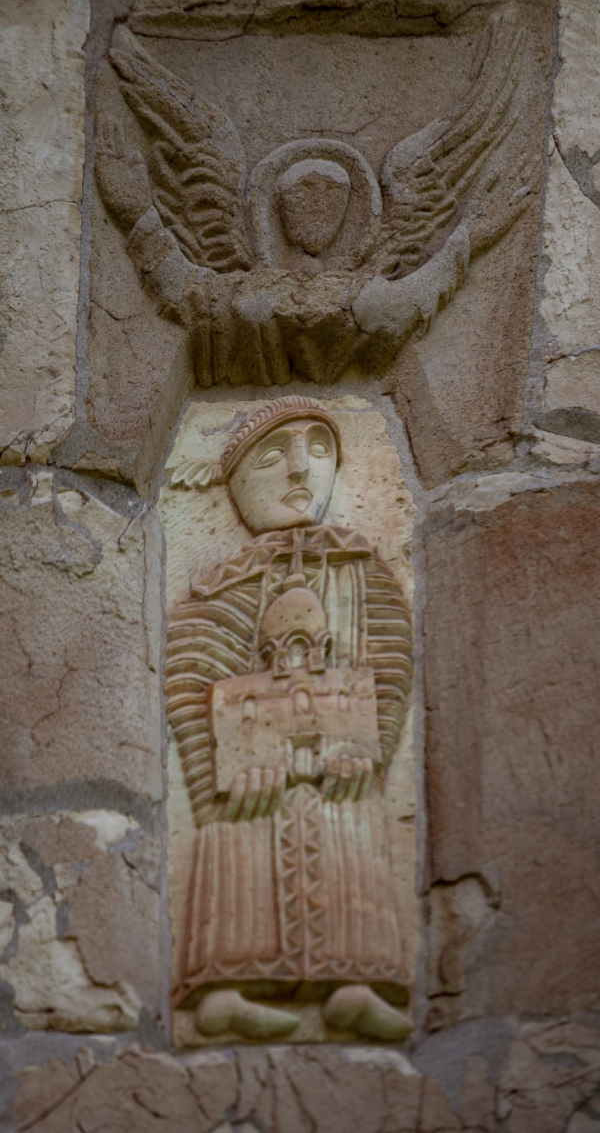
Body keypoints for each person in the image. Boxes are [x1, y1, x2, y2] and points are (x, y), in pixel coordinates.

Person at [166, 395, 413, 1040]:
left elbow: (390, 663)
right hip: (247, 780)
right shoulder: (215, 588)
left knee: (348, 837)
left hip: (340, 767)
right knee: (240, 849)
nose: (301, 468)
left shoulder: (364, 569)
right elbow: (191, 683)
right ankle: (223, 990)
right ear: (233, 482)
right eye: (273, 454)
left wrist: (369, 752)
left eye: (320, 449)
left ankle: (353, 985)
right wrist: (215, 778)